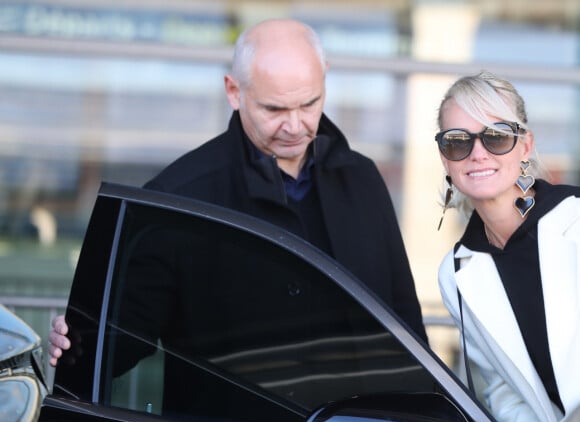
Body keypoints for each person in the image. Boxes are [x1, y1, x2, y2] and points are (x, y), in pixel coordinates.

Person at [48, 18, 427, 369]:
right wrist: (77, 344)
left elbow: (405, 326)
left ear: (325, 80)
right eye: (274, 108)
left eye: (309, 103)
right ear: (234, 91)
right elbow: (120, 340)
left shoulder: (362, 179)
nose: (295, 126)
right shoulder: (178, 198)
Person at [435, 70, 580, 422]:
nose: (477, 153)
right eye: (459, 141)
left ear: (526, 146)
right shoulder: (456, 274)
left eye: (496, 136)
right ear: (445, 159)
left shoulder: (575, 222)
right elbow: (499, 389)